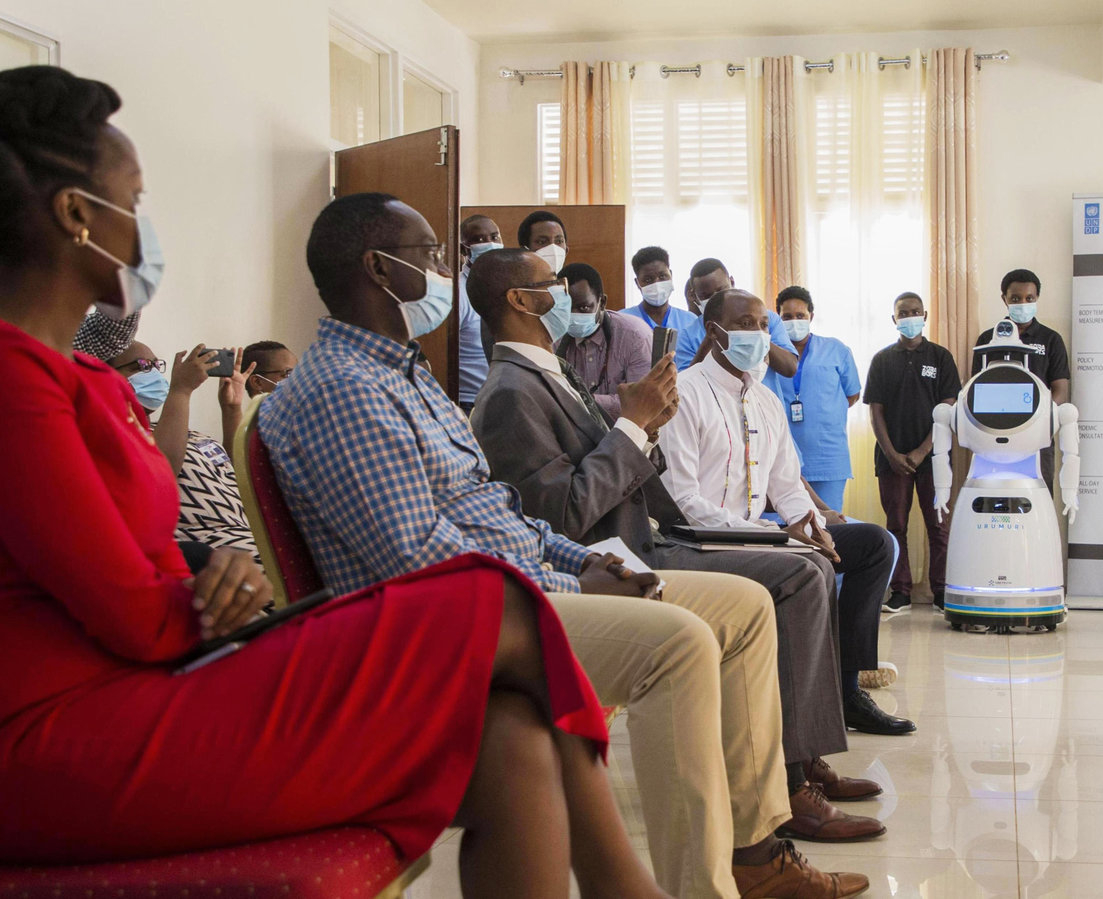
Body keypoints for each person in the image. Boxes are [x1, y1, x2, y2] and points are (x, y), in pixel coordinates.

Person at [0, 66, 653, 899]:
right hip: (61, 734)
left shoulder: (85, 379)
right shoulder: (14, 384)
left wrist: (207, 567)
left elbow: (125, 549)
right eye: (136, 199)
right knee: (494, 597)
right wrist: (207, 600)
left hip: (144, 674)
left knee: (512, 735)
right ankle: (624, 885)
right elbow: (130, 610)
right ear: (75, 216)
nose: (145, 230)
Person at [261, 193, 860, 899]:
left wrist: (583, 560)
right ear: (379, 269)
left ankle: (754, 851)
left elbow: (499, 512)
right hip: (444, 622)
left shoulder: (404, 375)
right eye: (433, 255)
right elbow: (419, 560)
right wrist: (573, 584)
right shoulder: (346, 389)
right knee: (681, 643)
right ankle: (703, 886)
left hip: (518, 579)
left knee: (747, 606)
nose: (450, 270)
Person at [470, 250, 889, 852]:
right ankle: (792, 781)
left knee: (829, 557)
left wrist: (648, 432)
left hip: (653, 534)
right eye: (552, 286)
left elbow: (753, 482)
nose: (564, 295)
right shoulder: (512, 390)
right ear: (519, 300)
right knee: (800, 575)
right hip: (622, 555)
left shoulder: (547, 372)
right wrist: (638, 427)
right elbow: (561, 513)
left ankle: (798, 761)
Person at [660, 288, 913, 739]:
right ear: (714, 332)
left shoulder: (765, 400)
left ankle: (847, 688)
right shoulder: (685, 393)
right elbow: (682, 501)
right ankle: (799, 718)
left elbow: (785, 481)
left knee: (874, 544)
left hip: (757, 533)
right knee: (810, 567)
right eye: (745, 325)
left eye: (762, 325)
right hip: (700, 539)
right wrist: (767, 535)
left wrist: (806, 523)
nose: (757, 335)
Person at [108, 339, 260, 561]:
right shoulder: (120, 435)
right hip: (209, 548)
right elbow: (162, 469)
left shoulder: (186, 432)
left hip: (246, 534)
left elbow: (240, 477)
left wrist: (231, 409)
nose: (152, 374)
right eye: (140, 366)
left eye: (155, 365)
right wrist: (181, 390)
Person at [866, 292, 961, 613]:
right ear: (894, 319)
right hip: (891, 459)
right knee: (896, 526)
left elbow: (948, 407)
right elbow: (875, 412)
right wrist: (892, 454)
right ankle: (901, 591)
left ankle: (942, 591)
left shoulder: (941, 357)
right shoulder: (881, 360)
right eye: (903, 313)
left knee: (939, 526)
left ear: (926, 315)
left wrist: (923, 450)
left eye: (915, 312)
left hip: (934, 458)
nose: (910, 317)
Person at [769, 285, 860, 513]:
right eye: (787, 317)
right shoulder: (771, 355)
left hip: (828, 458)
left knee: (831, 528)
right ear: (778, 319)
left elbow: (852, 394)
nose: (794, 321)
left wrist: (824, 412)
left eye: (800, 315)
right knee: (793, 527)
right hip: (785, 459)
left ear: (811, 315)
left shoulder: (836, 350)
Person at [555, 261, 653, 418]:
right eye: (565, 309)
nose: (573, 316)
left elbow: (641, 402)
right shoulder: (553, 338)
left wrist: (583, 401)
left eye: (583, 308)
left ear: (602, 303)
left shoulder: (636, 337)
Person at [674, 258, 799, 377]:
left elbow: (790, 368)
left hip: (764, 398)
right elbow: (687, 382)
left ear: (732, 282)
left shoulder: (766, 319)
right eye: (706, 295)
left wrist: (758, 337)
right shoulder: (688, 335)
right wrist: (710, 339)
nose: (716, 299)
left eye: (721, 290)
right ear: (694, 296)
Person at [971, 268, 1069, 404]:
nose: (1023, 304)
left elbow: (1061, 391)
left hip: (1039, 418)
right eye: (1015, 299)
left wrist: (1043, 416)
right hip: (995, 417)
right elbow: (977, 388)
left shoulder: (1051, 339)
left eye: (1029, 298)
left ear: (1037, 299)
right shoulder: (987, 340)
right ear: (1004, 299)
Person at [455, 213, 500, 412]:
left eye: (494, 236)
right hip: (470, 403)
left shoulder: (509, 284)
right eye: (480, 240)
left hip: (504, 399)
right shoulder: (457, 292)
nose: (490, 243)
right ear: (464, 249)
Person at [621, 245, 698, 333]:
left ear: (671, 275)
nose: (656, 284)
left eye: (662, 276)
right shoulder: (622, 320)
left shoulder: (690, 321)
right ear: (637, 283)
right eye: (648, 279)